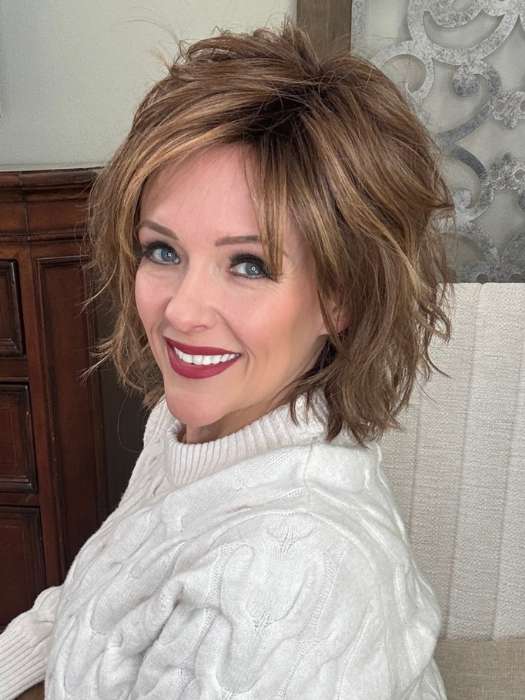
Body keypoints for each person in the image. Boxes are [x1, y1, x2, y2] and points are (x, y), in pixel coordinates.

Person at [0, 18, 455, 699]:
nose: (182, 311)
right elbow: (93, 603)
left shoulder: (283, 576)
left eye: (248, 264)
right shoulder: (194, 430)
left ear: (342, 296)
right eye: (163, 251)